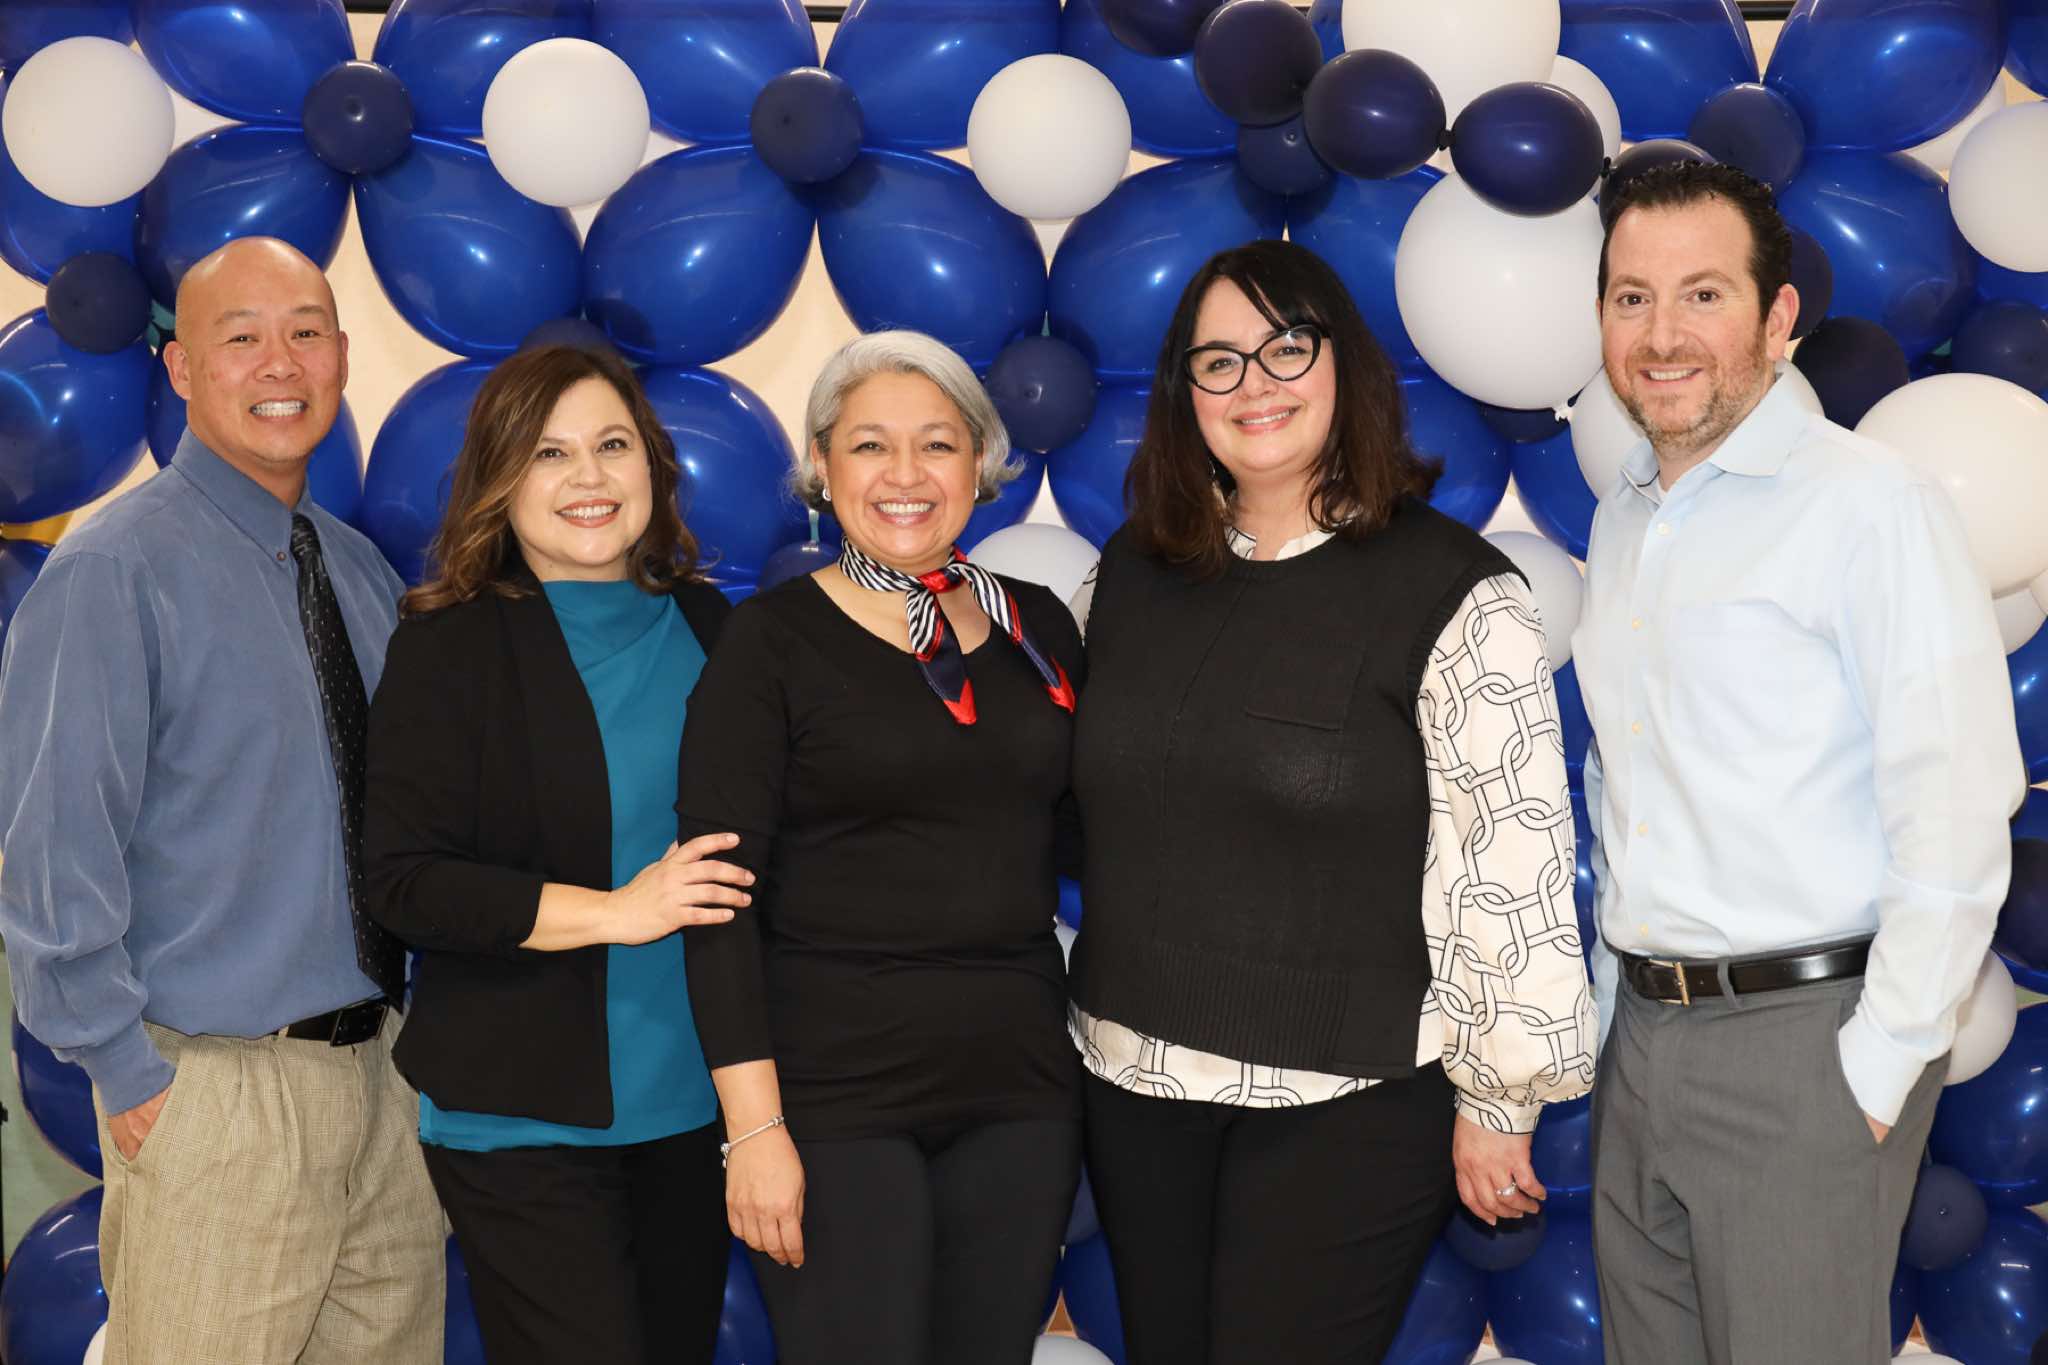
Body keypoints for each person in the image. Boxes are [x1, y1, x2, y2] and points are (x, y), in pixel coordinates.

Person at [1067, 238, 1597, 1365]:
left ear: (1343, 364)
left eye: (1286, 348)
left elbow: (1509, 860)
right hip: (1131, 1078)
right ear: (1183, 394)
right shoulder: (1125, 575)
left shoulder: (1456, 592)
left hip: (1349, 1098)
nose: (1253, 383)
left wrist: (1500, 1099)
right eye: (1218, 361)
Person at [1576, 160, 2024, 1363]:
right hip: (1641, 1038)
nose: (1660, 336)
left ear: (1777, 319)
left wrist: (1872, 1072)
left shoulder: (1867, 504)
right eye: (1629, 299)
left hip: (1803, 1047)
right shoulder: (1622, 516)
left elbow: (1952, 798)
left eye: (1702, 295)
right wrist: (1615, 1017)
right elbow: (1627, 781)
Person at [0, 237, 444, 1363]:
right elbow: (51, 852)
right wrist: (129, 1073)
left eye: (305, 332)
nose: (279, 362)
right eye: (240, 337)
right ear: (184, 370)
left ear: (342, 357)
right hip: (215, 1097)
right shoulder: (113, 571)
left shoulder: (358, 572)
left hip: (383, 1086)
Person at [675, 331, 1084, 1365]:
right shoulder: (767, 642)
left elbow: (1099, 837)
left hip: (1018, 1093)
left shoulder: (1040, 629)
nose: (906, 474)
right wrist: (753, 1131)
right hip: (832, 1099)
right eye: (869, 445)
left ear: (979, 464)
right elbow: (717, 902)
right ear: (822, 465)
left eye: (937, 444)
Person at [362, 343, 751, 1365]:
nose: (589, 476)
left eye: (612, 445)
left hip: (696, 1106)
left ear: (652, 464)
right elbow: (406, 882)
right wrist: (618, 910)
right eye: (549, 452)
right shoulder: (446, 645)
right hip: (521, 1118)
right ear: (501, 478)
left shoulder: (710, 623)